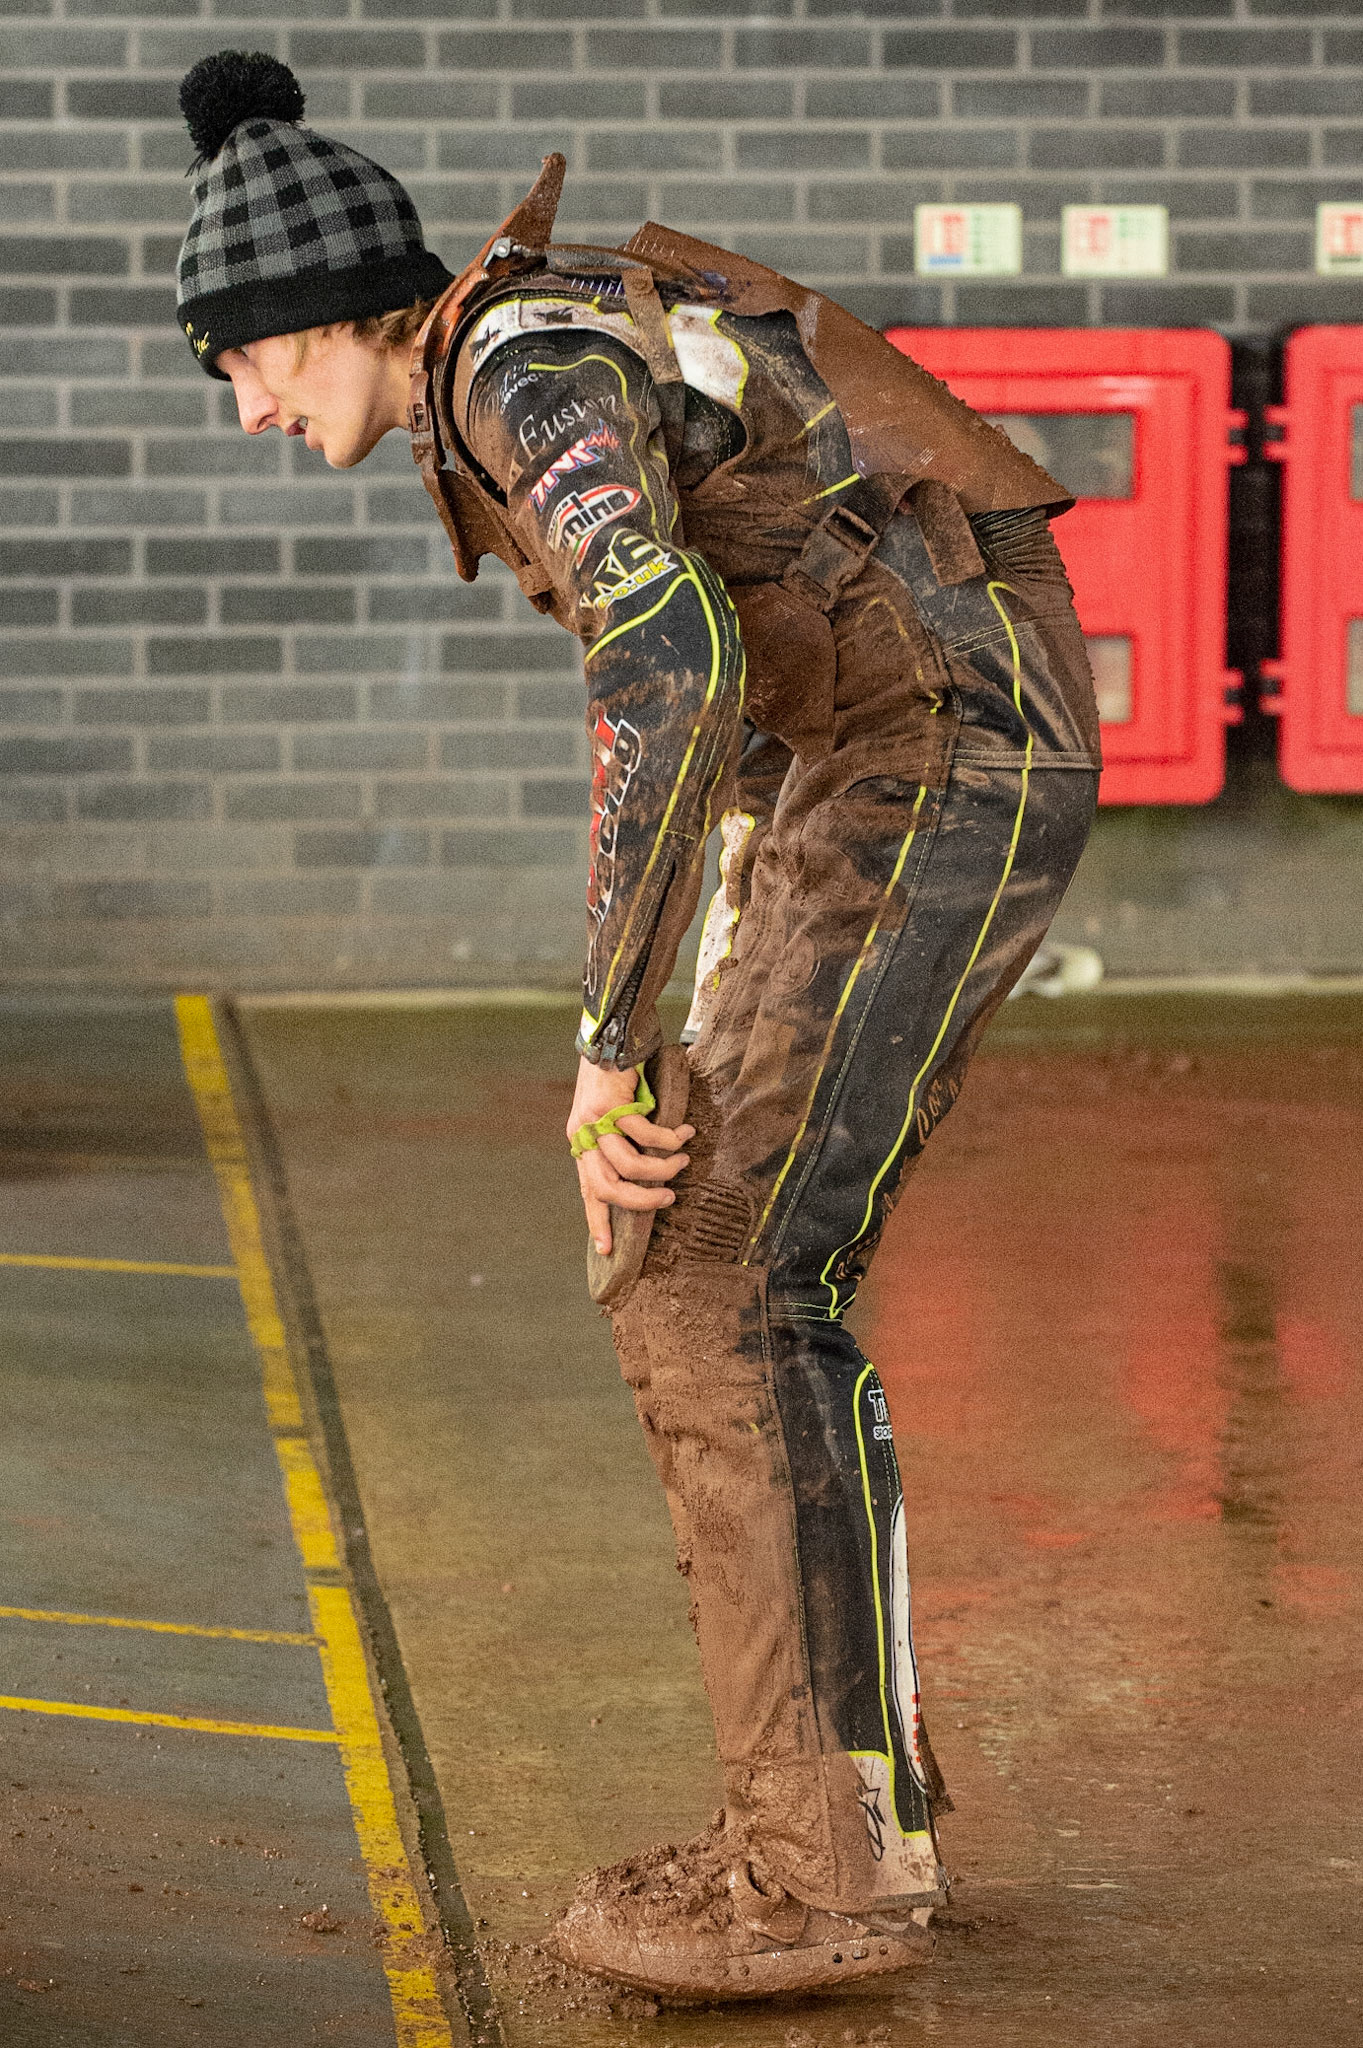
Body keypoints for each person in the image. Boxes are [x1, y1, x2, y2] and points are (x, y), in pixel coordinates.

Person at [176, 50, 1102, 2006]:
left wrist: (609, 1042)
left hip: (933, 763)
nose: (248, 408)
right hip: (868, 762)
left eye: (242, 360)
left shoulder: (517, 367)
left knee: (725, 1284)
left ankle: (821, 1866)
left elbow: (668, 655)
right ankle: (847, 1820)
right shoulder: (526, 340)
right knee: (688, 1258)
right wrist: (666, 1033)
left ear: (324, 312)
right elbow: (745, 651)